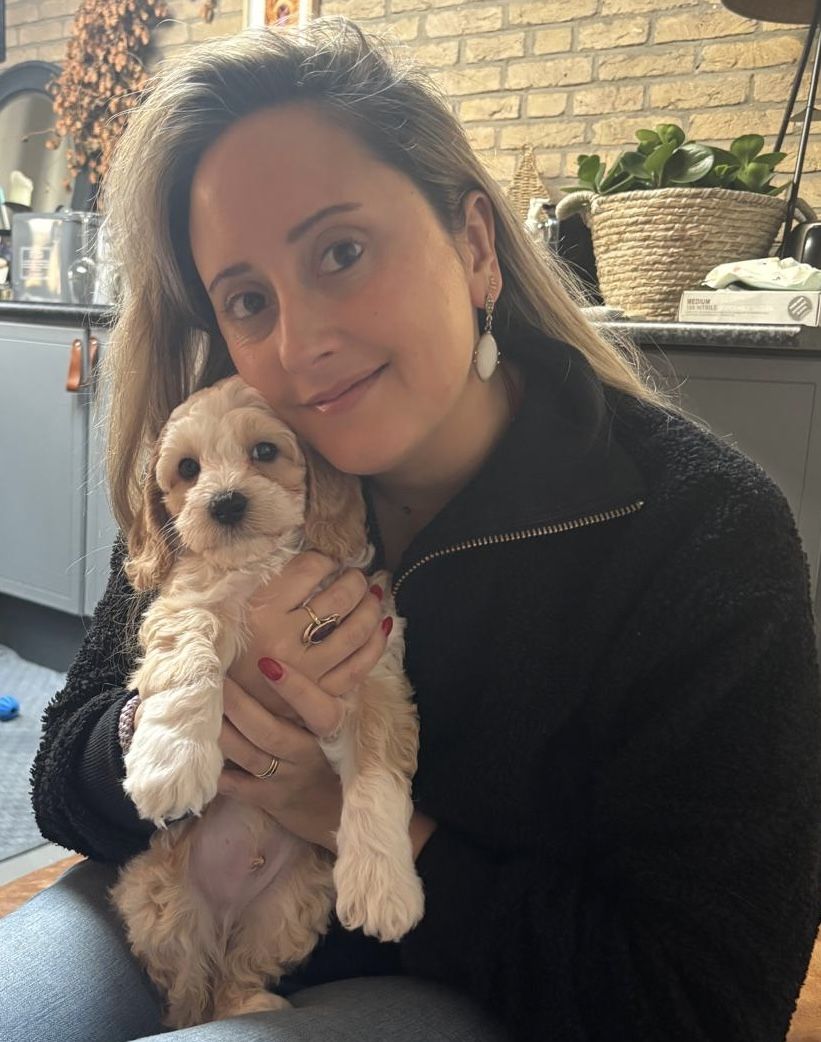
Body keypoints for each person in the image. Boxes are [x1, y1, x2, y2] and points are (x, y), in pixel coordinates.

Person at [3, 16, 819, 1042]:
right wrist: (181, 710)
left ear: (473, 246)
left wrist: (329, 805)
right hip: (179, 899)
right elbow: (60, 780)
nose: (299, 344)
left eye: (341, 252)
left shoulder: (698, 530)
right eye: (247, 299)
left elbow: (705, 1001)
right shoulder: (235, 475)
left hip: (477, 985)